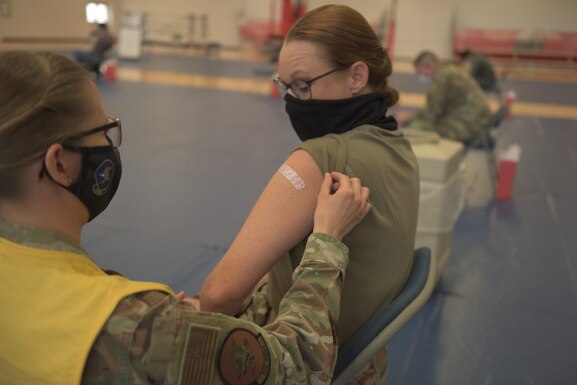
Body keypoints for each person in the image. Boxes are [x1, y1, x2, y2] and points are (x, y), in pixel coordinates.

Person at [0, 50, 372, 384]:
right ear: (59, 163)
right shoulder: (138, 327)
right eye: (103, 131)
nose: (110, 146)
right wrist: (327, 240)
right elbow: (301, 366)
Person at [200, 4, 420, 383]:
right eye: (284, 86)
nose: (292, 102)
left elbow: (219, 296)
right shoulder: (401, 150)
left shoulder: (318, 162)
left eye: (303, 85)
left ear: (356, 75)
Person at [397, 50, 492, 145]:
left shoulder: (441, 78)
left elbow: (432, 114)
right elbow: (435, 108)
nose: (419, 75)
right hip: (478, 119)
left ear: (428, 66)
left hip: (471, 123)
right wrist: (411, 117)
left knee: (417, 128)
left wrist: (409, 120)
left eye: (419, 71)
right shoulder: (448, 70)